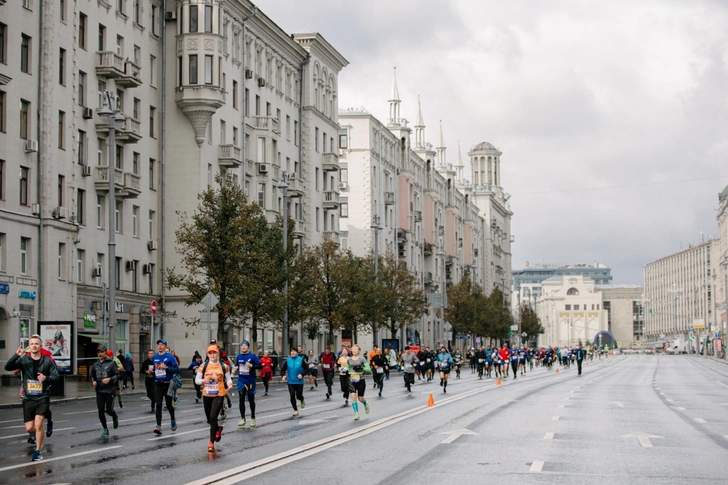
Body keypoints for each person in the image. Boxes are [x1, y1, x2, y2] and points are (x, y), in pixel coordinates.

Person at [4, 335, 59, 461]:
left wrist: (46, 378)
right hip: (28, 397)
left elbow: (56, 376)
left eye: (37, 344)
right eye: (32, 344)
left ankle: (38, 451)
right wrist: (16, 355)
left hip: (42, 396)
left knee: (39, 424)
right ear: (29, 346)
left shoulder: (47, 361)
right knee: (29, 428)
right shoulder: (24, 360)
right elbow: (7, 367)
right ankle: (41, 434)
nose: (34, 345)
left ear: (40, 346)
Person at [195, 345, 232, 452]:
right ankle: (218, 429)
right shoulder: (203, 366)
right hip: (207, 394)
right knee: (209, 419)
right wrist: (204, 380)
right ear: (207, 354)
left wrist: (229, 385)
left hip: (219, 393)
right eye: (210, 353)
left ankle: (211, 443)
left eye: (214, 353)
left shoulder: (224, 366)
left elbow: (228, 379)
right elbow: (197, 380)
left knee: (213, 417)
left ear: (218, 354)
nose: (212, 355)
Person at [152, 338, 180, 435]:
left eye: (162, 344)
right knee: (158, 404)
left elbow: (177, 370)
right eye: (158, 344)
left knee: (168, 405)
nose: (160, 346)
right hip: (158, 383)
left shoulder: (170, 357)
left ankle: (173, 419)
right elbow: (154, 369)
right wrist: (151, 372)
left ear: (165, 346)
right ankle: (158, 426)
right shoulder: (155, 357)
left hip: (167, 384)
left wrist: (167, 368)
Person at [91, 345, 120, 437]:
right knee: (100, 410)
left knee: (109, 410)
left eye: (101, 352)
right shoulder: (95, 365)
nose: (100, 354)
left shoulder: (111, 363)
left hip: (110, 390)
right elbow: (92, 376)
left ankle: (114, 416)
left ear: (105, 353)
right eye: (98, 352)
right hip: (99, 390)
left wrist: (109, 379)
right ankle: (105, 429)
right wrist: (93, 382)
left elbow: (117, 375)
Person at [235, 340, 261, 428]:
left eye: (245, 345)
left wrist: (251, 366)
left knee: (251, 400)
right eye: (242, 345)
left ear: (248, 347)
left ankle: (253, 417)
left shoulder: (252, 356)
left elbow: (260, 366)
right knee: (241, 398)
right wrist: (236, 368)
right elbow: (237, 365)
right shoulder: (238, 356)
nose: (243, 347)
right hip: (241, 380)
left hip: (250, 381)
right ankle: (242, 418)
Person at [347, 345, 370, 420]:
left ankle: (365, 403)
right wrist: (345, 369)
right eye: (353, 349)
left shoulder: (362, 359)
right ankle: (356, 414)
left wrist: (361, 368)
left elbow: (368, 369)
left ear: (359, 350)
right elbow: (348, 367)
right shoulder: (349, 359)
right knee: (353, 396)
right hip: (352, 380)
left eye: (356, 349)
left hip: (361, 380)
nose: (354, 350)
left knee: (360, 398)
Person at [281, 347, 306, 417]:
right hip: (291, 381)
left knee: (298, 396)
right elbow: (283, 369)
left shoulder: (301, 360)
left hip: (299, 381)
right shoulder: (288, 360)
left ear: (297, 353)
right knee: (292, 395)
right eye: (291, 351)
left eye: (294, 351)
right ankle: (295, 410)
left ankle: (302, 399)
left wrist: (302, 374)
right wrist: (283, 375)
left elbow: (306, 369)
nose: (293, 352)